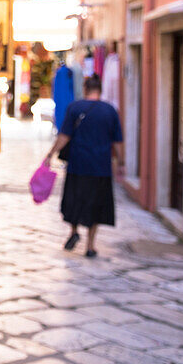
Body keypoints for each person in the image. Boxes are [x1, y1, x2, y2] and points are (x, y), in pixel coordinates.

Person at [46, 75, 123, 258]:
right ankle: (90, 245)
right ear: (100, 89)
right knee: (96, 206)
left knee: (74, 201)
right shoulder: (110, 111)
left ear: (85, 88)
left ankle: (73, 232)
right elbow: (118, 141)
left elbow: (64, 136)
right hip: (100, 168)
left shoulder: (75, 108)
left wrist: (50, 154)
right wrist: (121, 162)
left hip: (78, 165)